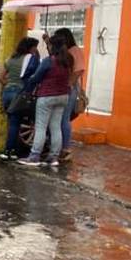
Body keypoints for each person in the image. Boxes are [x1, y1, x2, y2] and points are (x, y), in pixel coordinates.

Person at [20, 33, 74, 168]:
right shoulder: (69, 61)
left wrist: (29, 83)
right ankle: (53, 157)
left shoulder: (49, 61)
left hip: (47, 96)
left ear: (52, 46)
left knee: (41, 127)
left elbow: (37, 77)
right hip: (63, 96)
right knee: (55, 126)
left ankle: (34, 156)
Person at [0, 37, 41, 160]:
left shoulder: (10, 59)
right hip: (19, 93)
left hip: (7, 93)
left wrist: (9, 84)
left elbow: (0, 77)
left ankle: (8, 150)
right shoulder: (29, 60)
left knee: (12, 122)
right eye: (35, 47)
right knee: (15, 123)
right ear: (30, 48)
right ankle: (10, 151)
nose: (35, 49)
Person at [54, 28, 86, 162]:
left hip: (69, 89)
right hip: (64, 88)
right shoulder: (65, 51)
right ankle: (60, 147)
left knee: (64, 119)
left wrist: (69, 84)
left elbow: (79, 70)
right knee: (60, 118)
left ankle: (66, 148)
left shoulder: (75, 51)